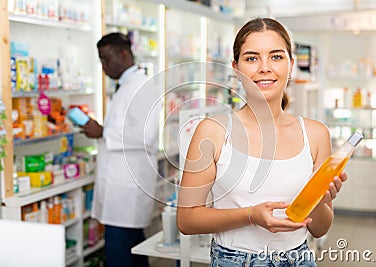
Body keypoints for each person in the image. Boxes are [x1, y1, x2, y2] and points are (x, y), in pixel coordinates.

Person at [176, 17, 348, 267]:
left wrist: (318, 201)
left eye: (276, 57)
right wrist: (250, 216)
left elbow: (320, 229)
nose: (264, 67)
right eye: (252, 58)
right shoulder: (212, 131)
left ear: (290, 65)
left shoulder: (315, 134)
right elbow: (186, 220)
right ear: (236, 68)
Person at [82, 32, 161, 267]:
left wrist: (103, 132)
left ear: (124, 54)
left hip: (127, 189)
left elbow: (145, 135)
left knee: (119, 252)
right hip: (120, 186)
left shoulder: (142, 87)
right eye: (101, 60)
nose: (104, 66)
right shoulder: (125, 86)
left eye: (107, 59)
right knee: (133, 249)